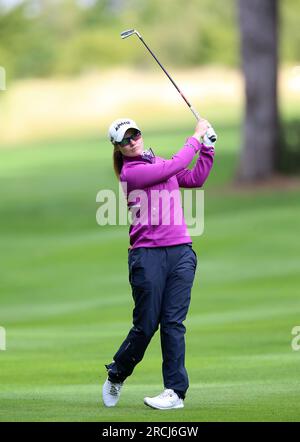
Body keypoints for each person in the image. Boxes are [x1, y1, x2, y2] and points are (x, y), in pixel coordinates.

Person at [102, 117, 215, 410]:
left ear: (141, 133)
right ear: (117, 147)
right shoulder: (132, 173)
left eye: (134, 134)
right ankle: (118, 372)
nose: (132, 141)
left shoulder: (157, 162)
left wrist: (208, 149)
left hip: (180, 253)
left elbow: (194, 179)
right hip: (147, 256)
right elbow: (175, 166)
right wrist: (196, 136)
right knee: (145, 325)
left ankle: (175, 393)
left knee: (173, 324)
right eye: (125, 140)